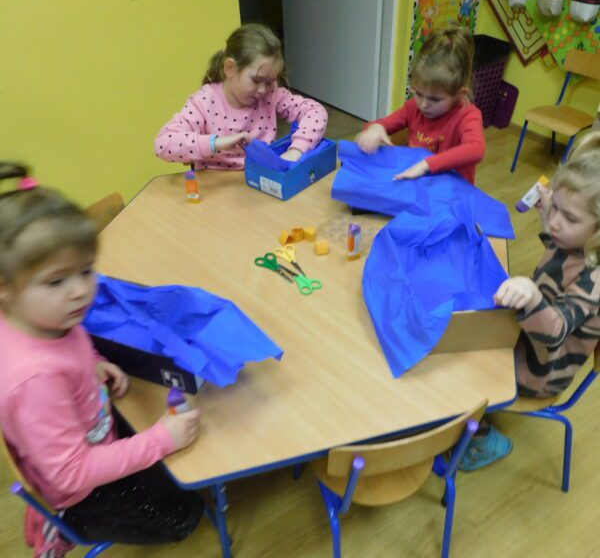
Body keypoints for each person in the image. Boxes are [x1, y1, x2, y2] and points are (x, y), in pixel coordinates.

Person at [0, 162, 203, 555]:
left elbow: (69, 342)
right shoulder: (34, 382)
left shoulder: (38, 315)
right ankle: (66, 526)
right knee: (186, 515)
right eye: (57, 280)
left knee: (176, 460)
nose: (81, 291)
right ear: (4, 287)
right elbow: (73, 473)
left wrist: (92, 361)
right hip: (82, 490)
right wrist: (159, 440)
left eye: (86, 271)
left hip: (87, 428)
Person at [460, 133, 600, 470]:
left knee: (463, 366)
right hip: (527, 337)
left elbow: (556, 331)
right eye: (557, 209)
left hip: (541, 369)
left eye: (570, 218)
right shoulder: (574, 241)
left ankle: (485, 440)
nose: (556, 223)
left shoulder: (594, 281)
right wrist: (547, 215)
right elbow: (559, 255)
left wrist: (533, 295)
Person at [154, 23, 328, 169]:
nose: (263, 90)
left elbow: (315, 111)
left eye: (269, 82)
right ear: (230, 68)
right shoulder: (204, 102)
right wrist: (216, 143)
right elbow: (163, 143)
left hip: (260, 184)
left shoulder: (271, 93)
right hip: (217, 190)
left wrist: (297, 149)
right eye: (256, 80)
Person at [355, 27, 485, 185]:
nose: (423, 104)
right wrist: (375, 128)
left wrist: (427, 164)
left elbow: (476, 149)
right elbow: (383, 124)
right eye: (418, 93)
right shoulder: (413, 108)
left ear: (459, 94)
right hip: (419, 187)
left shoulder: (467, 115)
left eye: (435, 99)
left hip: (451, 192)